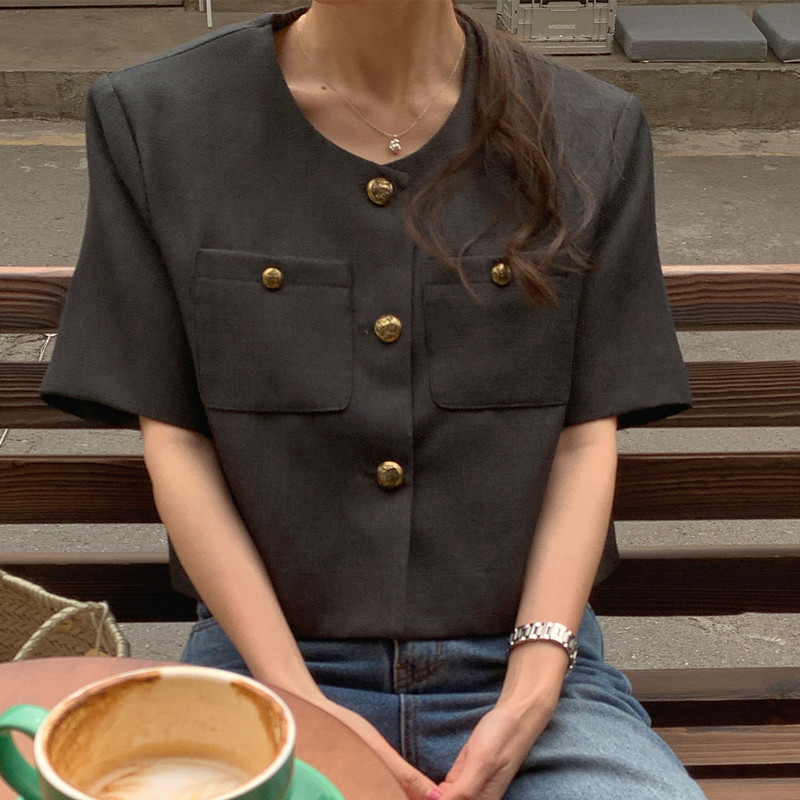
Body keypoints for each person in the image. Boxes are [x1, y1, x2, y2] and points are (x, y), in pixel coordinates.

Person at [41, 2, 704, 798]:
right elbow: (177, 443)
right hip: (267, 668)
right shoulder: (159, 120)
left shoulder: (589, 128)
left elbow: (583, 439)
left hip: (532, 671)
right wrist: (299, 699)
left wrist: (531, 688)